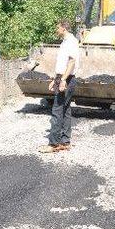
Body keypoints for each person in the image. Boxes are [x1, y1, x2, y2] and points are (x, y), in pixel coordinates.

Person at [40, 20, 80, 153]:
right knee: (66, 110)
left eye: (58, 27)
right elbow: (62, 63)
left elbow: (72, 61)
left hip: (67, 79)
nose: (56, 30)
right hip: (62, 77)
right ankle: (65, 141)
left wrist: (62, 80)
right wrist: (54, 79)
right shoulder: (65, 41)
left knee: (57, 109)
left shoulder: (71, 41)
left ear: (64, 28)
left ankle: (53, 144)